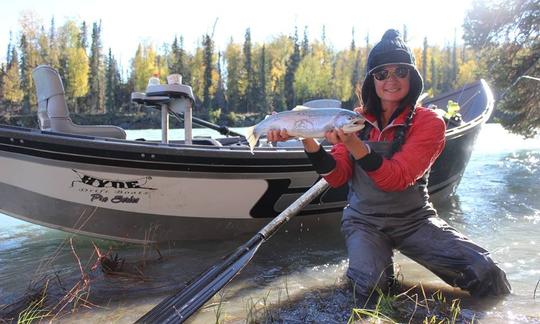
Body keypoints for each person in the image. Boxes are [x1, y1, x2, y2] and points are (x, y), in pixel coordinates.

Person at [268, 29, 511, 306]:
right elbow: (337, 177)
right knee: (369, 292)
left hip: (415, 220)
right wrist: (307, 138)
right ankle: (377, 272)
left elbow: (397, 178)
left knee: (486, 273)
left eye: (400, 72)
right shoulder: (355, 119)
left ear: (412, 77)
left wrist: (353, 144)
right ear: (372, 80)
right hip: (364, 221)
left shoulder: (430, 123)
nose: (391, 80)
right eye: (382, 74)